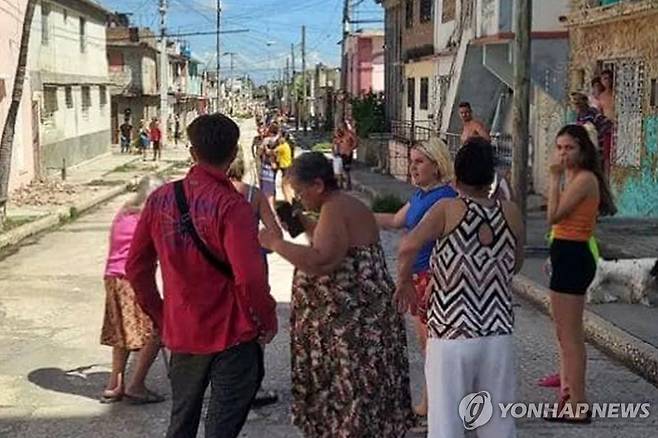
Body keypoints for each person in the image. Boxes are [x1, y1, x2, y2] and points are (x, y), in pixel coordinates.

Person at [126, 113, 278, 438]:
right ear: (234, 152)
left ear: (192, 153)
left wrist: (161, 314)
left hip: (183, 331)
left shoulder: (160, 199)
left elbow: (136, 268)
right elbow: (250, 278)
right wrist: (267, 318)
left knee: (181, 422)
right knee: (221, 428)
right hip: (233, 333)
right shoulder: (233, 206)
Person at [258, 152, 413, 437]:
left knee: (352, 399)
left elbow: (322, 260)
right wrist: (302, 222)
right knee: (361, 399)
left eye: (301, 192)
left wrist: (276, 244)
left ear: (317, 185)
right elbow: (330, 240)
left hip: (352, 327)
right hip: (358, 322)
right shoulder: (342, 206)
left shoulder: (335, 208)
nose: (300, 198)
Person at [395, 138, 525, 438]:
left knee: (446, 424)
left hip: (451, 333)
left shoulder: (447, 209)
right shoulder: (511, 213)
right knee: (497, 425)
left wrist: (404, 283)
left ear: (458, 172)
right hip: (497, 333)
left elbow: (407, 247)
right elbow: (514, 265)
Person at [374, 137, 457, 418]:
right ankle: (433, 402)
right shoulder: (421, 195)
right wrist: (351, 213)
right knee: (428, 345)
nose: (413, 168)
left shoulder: (445, 198)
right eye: (411, 161)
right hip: (419, 276)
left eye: (419, 162)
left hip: (431, 278)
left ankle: (434, 405)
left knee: (432, 346)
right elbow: (395, 221)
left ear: (437, 165)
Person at [542, 124, 616, 423]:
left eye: (569, 147)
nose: (562, 153)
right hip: (565, 251)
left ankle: (578, 403)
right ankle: (568, 393)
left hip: (574, 254)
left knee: (570, 335)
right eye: (559, 147)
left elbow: (553, 216)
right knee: (562, 332)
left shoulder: (583, 179)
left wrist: (554, 177)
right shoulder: (574, 178)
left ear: (582, 150)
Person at [100, 175, 166, 405]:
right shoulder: (148, 217)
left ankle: (114, 385)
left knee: (122, 331)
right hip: (132, 279)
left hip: (112, 277)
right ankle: (136, 385)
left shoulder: (125, 211)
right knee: (157, 329)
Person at [570, 92, 613, 177]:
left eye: (577, 102)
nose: (576, 106)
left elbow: (606, 124)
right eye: (574, 103)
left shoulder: (592, 112)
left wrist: (597, 134)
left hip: (597, 147)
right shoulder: (579, 115)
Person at [333, 122, 357, 190]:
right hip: (340, 154)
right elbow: (335, 143)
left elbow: (355, 143)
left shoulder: (350, 134)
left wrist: (350, 149)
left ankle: (348, 185)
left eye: (342, 127)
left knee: (346, 170)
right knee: (339, 170)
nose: (341, 128)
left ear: (345, 127)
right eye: (340, 127)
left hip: (347, 154)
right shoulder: (339, 135)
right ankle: (340, 185)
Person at [273, 132, 294, 202]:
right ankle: (290, 199)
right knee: (287, 184)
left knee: (284, 185)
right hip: (288, 165)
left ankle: (288, 201)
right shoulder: (287, 145)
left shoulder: (282, 146)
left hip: (285, 166)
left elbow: (272, 151)